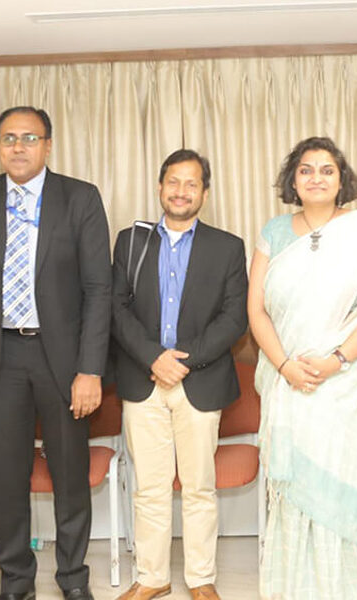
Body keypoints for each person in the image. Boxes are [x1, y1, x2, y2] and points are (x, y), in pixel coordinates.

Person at [0, 106, 111, 600]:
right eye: (8, 138)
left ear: (48, 145)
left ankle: (73, 579)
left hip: (62, 360)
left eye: (29, 138)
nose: (18, 147)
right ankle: (17, 582)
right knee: (6, 479)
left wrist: (90, 369)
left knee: (70, 476)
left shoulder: (80, 197)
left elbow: (98, 290)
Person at [248, 136, 357, 599]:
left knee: (341, 486)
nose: (316, 178)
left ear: (342, 180)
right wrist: (285, 366)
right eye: (306, 169)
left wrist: (335, 361)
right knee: (296, 493)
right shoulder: (274, 232)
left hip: (349, 387)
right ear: (293, 180)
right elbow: (256, 310)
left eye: (327, 170)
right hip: (290, 385)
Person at [110, 149, 248, 600]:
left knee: (199, 487)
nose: (181, 191)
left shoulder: (227, 247)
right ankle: (152, 577)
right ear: (159, 186)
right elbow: (117, 308)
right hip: (143, 380)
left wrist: (182, 362)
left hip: (199, 382)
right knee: (149, 487)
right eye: (173, 181)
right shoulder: (131, 242)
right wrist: (154, 358)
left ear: (204, 193)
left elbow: (234, 319)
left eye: (191, 184)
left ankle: (201, 578)